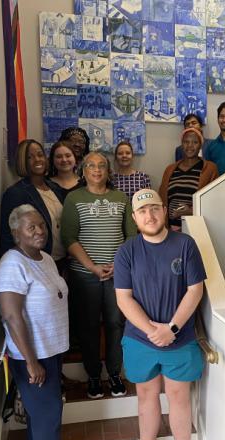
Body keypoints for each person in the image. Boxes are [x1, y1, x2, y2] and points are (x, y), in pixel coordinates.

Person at [113, 188, 207, 440]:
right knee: (146, 397)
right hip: (140, 340)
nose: (149, 216)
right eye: (142, 211)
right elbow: (124, 298)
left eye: (154, 209)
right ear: (135, 217)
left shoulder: (185, 244)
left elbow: (195, 290)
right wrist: (154, 330)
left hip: (179, 340)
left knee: (179, 398)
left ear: (164, 210)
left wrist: (173, 329)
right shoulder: (127, 251)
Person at [0, 205, 75, 440]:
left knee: (44, 414)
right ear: (16, 234)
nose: (40, 231)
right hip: (31, 355)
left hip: (50, 349)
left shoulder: (45, 260)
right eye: (31, 228)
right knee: (48, 415)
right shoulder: (11, 265)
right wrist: (30, 361)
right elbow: (12, 317)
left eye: (41, 225)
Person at [60, 151, 137, 399]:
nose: (96, 169)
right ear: (83, 171)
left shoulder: (121, 198)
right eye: (91, 165)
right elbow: (68, 238)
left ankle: (114, 373)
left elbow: (132, 236)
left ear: (108, 170)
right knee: (89, 326)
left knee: (116, 323)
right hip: (85, 275)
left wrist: (119, 264)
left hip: (118, 275)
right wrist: (93, 267)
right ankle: (93, 375)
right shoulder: (73, 199)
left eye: (102, 165)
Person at [0, 139, 66, 265]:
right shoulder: (16, 193)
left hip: (61, 262)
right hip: (35, 264)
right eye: (30, 157)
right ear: (22, 161)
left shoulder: (56, 189)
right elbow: (9, 237)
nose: (37, 160)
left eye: (40, 155)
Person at [160, 128, 219, 231]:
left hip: (196, 229)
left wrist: (191, 211)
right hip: (171, 232)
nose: (190, 146)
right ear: (181, 145)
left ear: (200, 145)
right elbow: (161, 198)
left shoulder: (210, 169)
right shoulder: (170, 169)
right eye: (186, 142)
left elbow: (214, 201)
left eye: (195, 142)